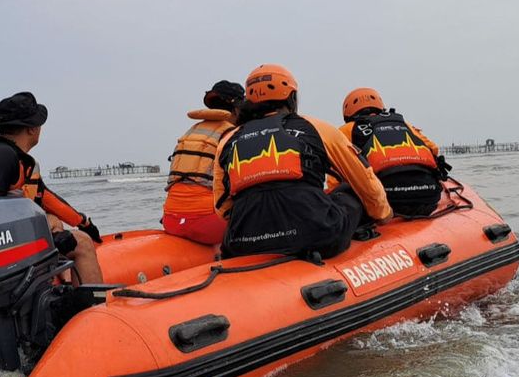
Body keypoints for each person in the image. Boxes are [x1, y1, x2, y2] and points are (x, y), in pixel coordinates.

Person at [213, 64, 392, 259]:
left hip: (243, 243)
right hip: (317, 235)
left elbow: (222, 206)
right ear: (291, 97)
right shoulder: (317, 127)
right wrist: (383, 214)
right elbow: (365, 180)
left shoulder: (228, 140)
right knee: (347, 190)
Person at [0, 92, 104, 283]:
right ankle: (92, 309)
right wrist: (51, 240)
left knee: (53, 221)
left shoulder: (16, 158)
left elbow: (47, 199)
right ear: (31, 129)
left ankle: (59, 291)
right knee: (83, 244)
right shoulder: (2, 157)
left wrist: (84, 223)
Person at [339, 88, 450, 217]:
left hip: (386, 202)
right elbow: (434, 149)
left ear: (348, 112)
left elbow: (336, 172)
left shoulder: (346, 130)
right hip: (429, 198)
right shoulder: (404, 124)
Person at [162, 80, 242, 245]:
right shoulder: (232, 134)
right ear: (237, 108)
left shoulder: (192, 132)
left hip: (171, 221)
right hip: (208, 225)